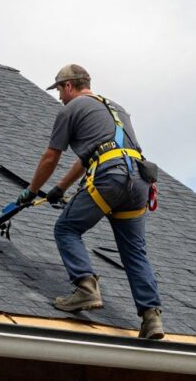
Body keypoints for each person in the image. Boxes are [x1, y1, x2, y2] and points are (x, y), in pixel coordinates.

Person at [15, 64, 164, 339]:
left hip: (111, 178)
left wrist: (31, 190)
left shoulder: (70, 109)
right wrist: (59, 189)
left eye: (59, 90)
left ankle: (85, 288)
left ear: (68, 86)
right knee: (134, 252)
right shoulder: (116, 108)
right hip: (139, 183)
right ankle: (151, 317)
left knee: (66, 229)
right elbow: (90, 157)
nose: (59, 96)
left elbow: (51, 157)